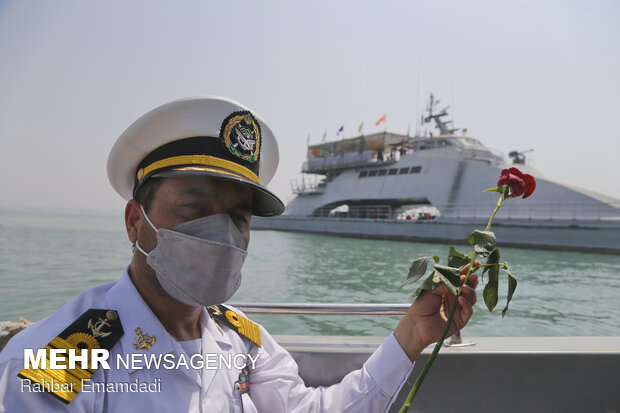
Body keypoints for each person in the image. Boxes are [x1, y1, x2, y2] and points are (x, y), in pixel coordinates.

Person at [0, 96, 478, 412]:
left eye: (238, 217)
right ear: (134, 222)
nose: (222, 233)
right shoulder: (63, 357)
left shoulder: (244, 340)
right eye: (195, 207)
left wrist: (410, 336)